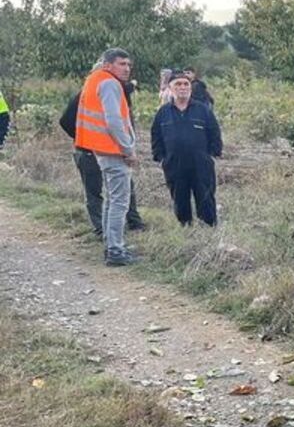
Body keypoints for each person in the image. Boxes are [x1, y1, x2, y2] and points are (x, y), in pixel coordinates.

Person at [60, 73, 144, 235]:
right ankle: (102, 230)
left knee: (123, 190)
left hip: (113, 150)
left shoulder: (119, 91)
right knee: (95, 191)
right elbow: (66, 121)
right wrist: (85, 140)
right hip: (91, 152)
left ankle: (132, 223)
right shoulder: (88, 94)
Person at [75, 48, 138, 266]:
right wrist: (128, 150)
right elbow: (113, 121)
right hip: (112, 150)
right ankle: (115, 251)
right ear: (108, 65)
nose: (127, 69)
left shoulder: (93, 80)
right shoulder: (110, 84)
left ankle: (111, 246)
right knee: (119, 202)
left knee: (112, 200)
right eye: (122, 64)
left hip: (100, 149)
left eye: (128, 64)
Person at [152, 71, 222, 226]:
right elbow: (156, 136)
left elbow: (214, 132)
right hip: (174, 164)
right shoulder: (163, 113)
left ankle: (208, 227)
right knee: (179, 198)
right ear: (170, 88)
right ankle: (185, 226)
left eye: (186, 84)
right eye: (178, 84)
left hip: (200, 163)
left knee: (205, 196)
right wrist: (161, 157)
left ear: (190, 87)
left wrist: (212, 154)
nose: (182, 87)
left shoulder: (202, 110)